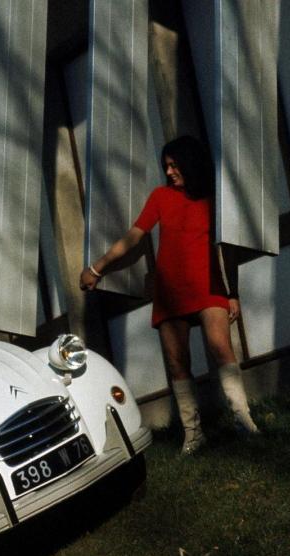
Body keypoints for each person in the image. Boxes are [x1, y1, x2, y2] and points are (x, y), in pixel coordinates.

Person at [79, 135, 258, 454]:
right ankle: (193, 434)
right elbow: (133, 238)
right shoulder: (160, 196)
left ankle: (243, 419)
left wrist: (234, 293)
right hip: (170, 291)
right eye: (166, 167)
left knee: (221, 347)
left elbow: (227, 247)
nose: (170, 172)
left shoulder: (212, 199)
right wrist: (97, 268)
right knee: (177, 363)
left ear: (190, 163)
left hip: (208, 285)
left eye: (175, 165)